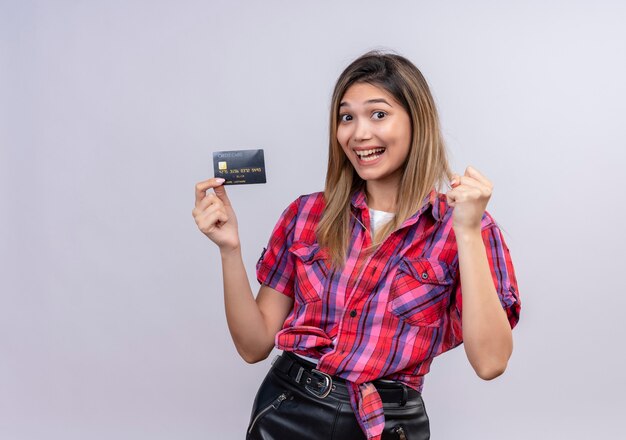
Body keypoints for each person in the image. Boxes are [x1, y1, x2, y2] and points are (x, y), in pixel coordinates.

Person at [192, 50, 521, 440]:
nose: (359, 133)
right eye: (347, 117)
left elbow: (491, 362)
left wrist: (466, 231)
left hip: (389, 424)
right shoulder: (306, 214)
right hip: (288, 409)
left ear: (418, 122)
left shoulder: (469, 226)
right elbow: (253, 346)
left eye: (378, 114)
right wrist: (229, 249)